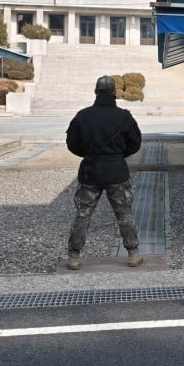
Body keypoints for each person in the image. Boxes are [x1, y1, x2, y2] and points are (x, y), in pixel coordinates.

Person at [64, 75, 144, 270]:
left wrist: (89, 154)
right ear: (114, 93)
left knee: (83, 214)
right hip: (116, 171)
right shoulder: (124, 116)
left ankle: (74, 256)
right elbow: (135, 143)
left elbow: (72, 144)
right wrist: (117, 155)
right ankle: (133, 254)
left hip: (90, 171)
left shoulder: (82, 116)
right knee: (124, 214)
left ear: (95, 91)